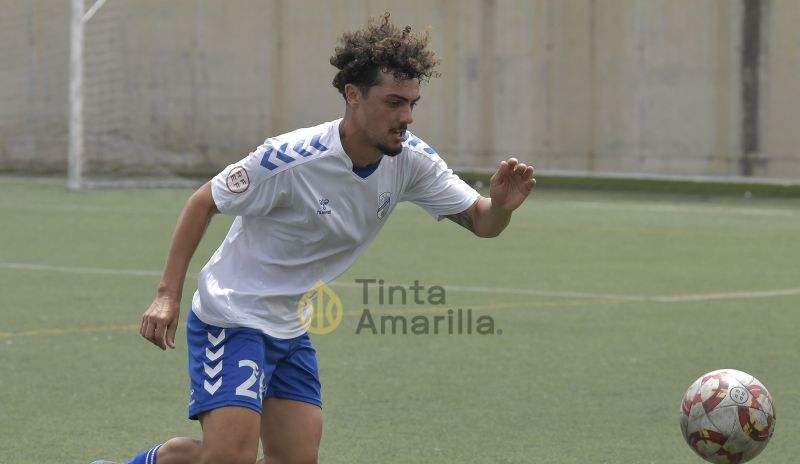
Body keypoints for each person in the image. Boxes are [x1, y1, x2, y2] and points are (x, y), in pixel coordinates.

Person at [92, 12, 535, 464]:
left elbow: (482, 222)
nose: (406, 117)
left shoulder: (411, 160)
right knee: (229, 459)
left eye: (413, 105)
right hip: (232, 316)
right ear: (353, 95)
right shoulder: (288, 160)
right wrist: (167, 296)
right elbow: (203, 201)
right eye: (395, 102)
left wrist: (500, 206)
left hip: (289, 327)